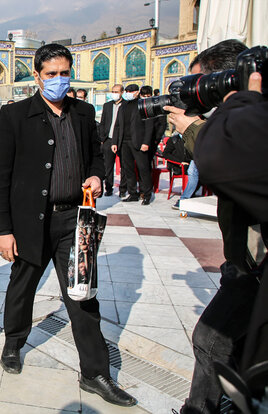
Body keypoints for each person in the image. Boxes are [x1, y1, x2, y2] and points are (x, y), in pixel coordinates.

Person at [0, 43, 136, 407]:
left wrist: (96, 176)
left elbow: (97, 156)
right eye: (51, 74)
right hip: (30, 222)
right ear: (37, 76)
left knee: (82, 295)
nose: (58, 80)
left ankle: (94, 373)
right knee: (22, 287)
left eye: (64, 73)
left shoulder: (84, 112)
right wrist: (2, 229)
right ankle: (13, 342)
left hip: (73, 220)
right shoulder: (15, 115)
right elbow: (0, 176)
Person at [167, 40, 259, 414]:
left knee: (211, 338)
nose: (198, 91)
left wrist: (194, 129)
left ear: (225, 78)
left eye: (203, 82)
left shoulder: (250, 120)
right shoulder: (233, 119)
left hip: (256, 262)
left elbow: (226, 165)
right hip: (243, 256)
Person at [166, 39, 248, 211]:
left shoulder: (253, 119)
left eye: (198, 85)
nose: (194, 96)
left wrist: (192, 129)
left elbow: (230, 163)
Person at [120, 84, 154, 205]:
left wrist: (146, 142)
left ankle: (146, 194)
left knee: (143, 168)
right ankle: (132, 193)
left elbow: (149, 126)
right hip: (124, 142)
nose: (128, 93)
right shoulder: (123, 105)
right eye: (126, 91)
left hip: (139, 142)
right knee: (128, 169)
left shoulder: (143, 105)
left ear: (136, 92)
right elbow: (118, 125)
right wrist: (115, 142)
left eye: (130, 91)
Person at [99, 84, 125, 197]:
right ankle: (108, 188)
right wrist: (102, 138)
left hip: (122, 140)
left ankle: (123, 189)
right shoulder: (107, 105)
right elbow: (103, 122)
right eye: (113, 91)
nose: (114, 93)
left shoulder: (126, 106)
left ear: (122, 92)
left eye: (117, 91)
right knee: (108, 166)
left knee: (124, 166)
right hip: (108, 139)